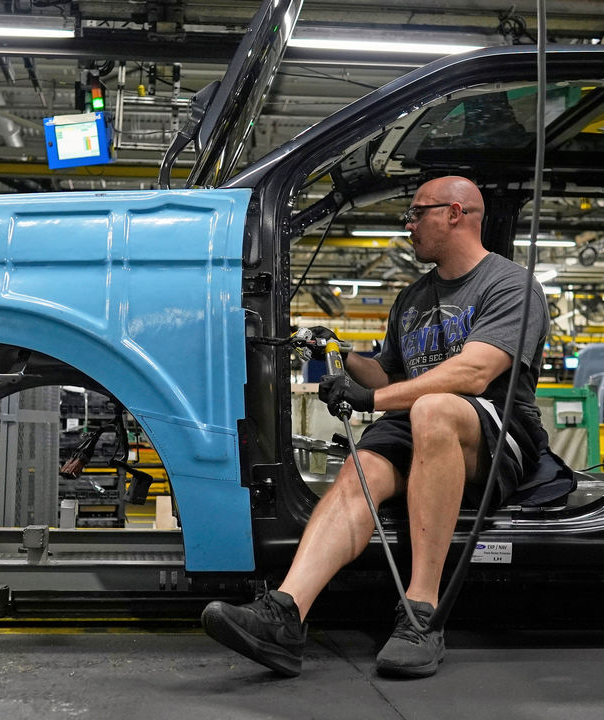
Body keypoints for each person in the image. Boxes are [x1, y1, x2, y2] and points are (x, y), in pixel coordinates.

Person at [201, 176, 553, 679]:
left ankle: (422, 613)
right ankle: (286, 614)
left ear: (455, 213)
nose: (408, 225)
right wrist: (342, 358)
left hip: (495, 433)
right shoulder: (412, 298)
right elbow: (391, 374)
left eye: (417, 213)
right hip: (419, 427)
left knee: (433, 409)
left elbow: (474, 373)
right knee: (361, 467)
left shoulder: (510, 284)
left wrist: (373, 401)